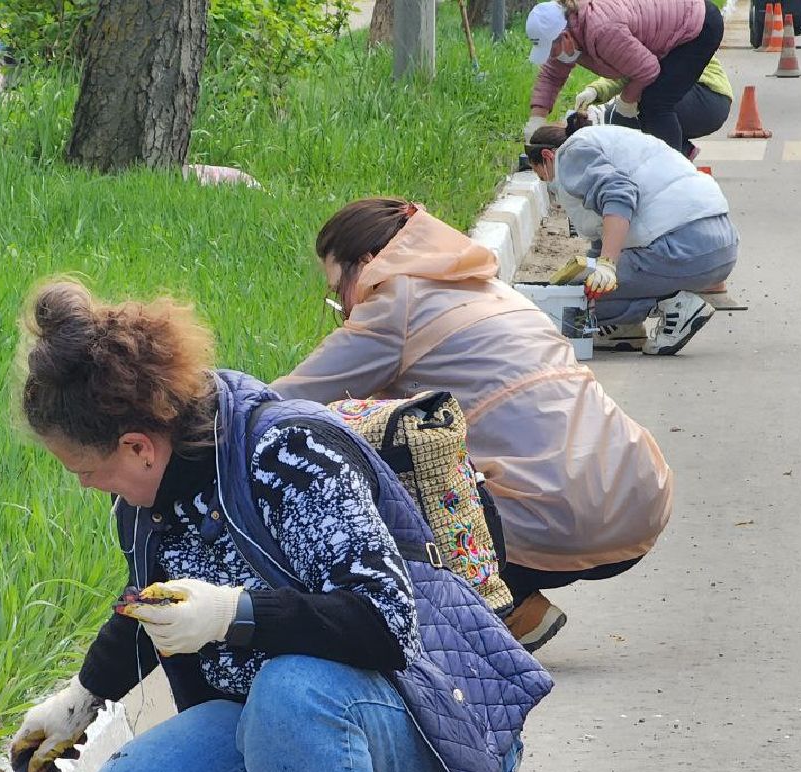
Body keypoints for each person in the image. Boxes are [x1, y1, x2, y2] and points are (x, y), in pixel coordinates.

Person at [8, 279, 552, 772]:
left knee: (293, 688)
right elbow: (159, 607)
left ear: (138, 445)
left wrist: (237, 613)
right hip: (294, 733)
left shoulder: (287, 454)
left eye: (82, 468)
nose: (84, 483)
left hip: (428, 751)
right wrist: (82, 697)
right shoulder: (146, 502)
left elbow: (382, 622)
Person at [270, 199, 674, 653]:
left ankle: (494, 606)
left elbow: (286, 401)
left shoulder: (394, 303)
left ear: (366, 265)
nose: (344, 306)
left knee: (373, 462)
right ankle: (517, 606)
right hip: (638, 498)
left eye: (337, 289)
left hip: (561, 518)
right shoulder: (489, 288)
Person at [525, 112, 738, 354]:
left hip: (682, 246)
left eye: (543, 176)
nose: (549, 185)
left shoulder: (571, 154)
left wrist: (606, 265)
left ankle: (674, 305)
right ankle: (623, 328)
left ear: (547, 157)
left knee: (575, 300)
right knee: (590, 285)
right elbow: (606, 233)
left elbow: (618, 194)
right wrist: (598, 265)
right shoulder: (606, 142)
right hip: (719, 245)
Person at [523, 0, 725, 158]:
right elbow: (551, 76)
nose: (550, 55)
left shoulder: (602, 30)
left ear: (565, 36)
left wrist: (626, 101)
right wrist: (535, 121)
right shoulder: (570, 31)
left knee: (655, 103)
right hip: (674, 27)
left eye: (550, 48)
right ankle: (680, 152)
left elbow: (647, 69)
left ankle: (673, 173)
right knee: (647, 103)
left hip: (698, 26)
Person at [574, 57, 734, 156]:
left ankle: (672, 167)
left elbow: (638, 67)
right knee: (629, 110)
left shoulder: (653, 24)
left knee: (642, 105)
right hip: (710, 100)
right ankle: (683, 150)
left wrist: (596, 90)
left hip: (704, 94)